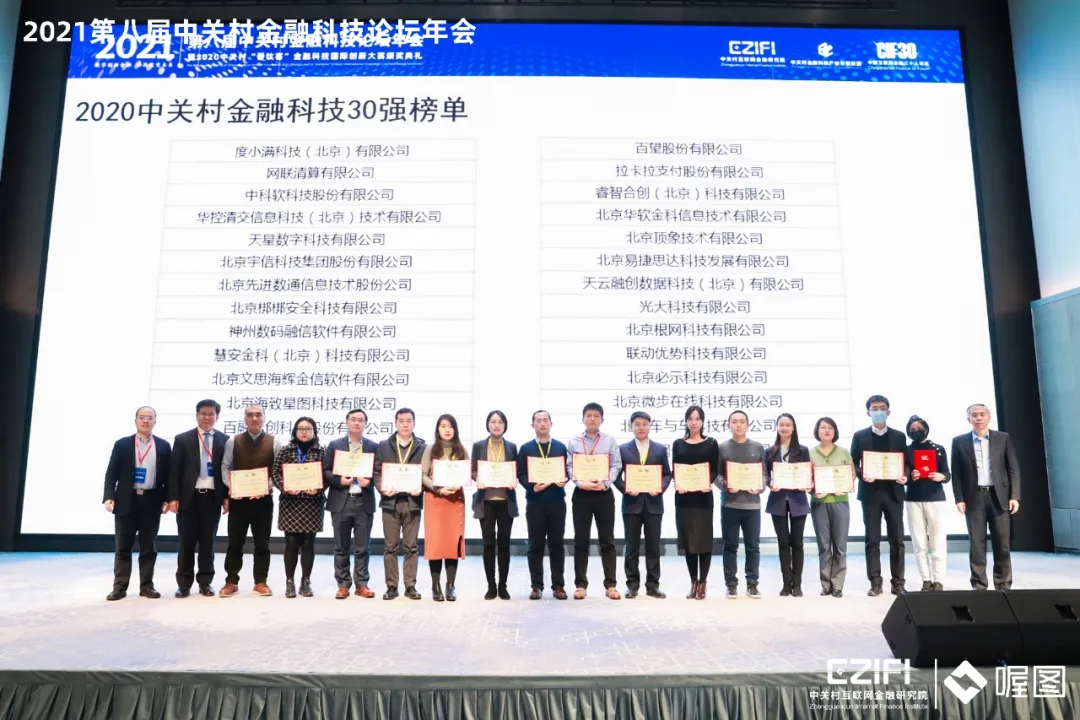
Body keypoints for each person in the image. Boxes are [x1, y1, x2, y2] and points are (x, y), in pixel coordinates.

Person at [103, 406, 171, 601]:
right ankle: (119, 587)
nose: (145, 421)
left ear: (155, 422)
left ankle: (147, 586)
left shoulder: (164, 446)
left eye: (150, 418)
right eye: (142, 417)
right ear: (135, 420)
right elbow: (111, 473)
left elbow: (168, 476)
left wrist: (167, 498)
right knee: (123, 547)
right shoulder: (122, 444)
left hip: (151, 501)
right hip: (126, 500)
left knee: (148, 547)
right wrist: (108, 496)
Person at [951, 403, 1020, 590]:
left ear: (989, 417)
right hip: (973, 498)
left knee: (1002, 543)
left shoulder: (1002, 438)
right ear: (969, 419)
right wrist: (959, 499)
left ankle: (1003, 585)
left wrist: (1014, 496)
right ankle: (979, 585)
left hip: (999, 497)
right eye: (974, 415)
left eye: (982, 414)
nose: (978, 418)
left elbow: (1013, 469)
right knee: (976, 544)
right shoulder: (959, 441)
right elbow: (956, 473)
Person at [219, 404, 282, 598]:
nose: (254, 418)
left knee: (262, 543)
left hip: (263, 500)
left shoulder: (274, 441)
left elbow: (278, 470)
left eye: (258, 415)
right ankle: (231, 581)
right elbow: (225, 467)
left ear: (264, 418)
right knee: (234, 542)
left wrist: (265, 487)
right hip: (239, 500)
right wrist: (233, 486)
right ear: (245, 418)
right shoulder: (233, 441)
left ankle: (260, 582)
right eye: (250, 415)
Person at [167, 399, 228, 598]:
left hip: (212, 498)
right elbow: (174, 470)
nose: (207, 417)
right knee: (186, 542)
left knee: (208, 543)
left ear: (217, 417)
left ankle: (205, 582)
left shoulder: (224, 440)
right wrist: (173, 497)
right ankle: (184, 584)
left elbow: (227, 470)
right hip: (188, 498)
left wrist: (227, 496)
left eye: (211, 414)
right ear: (197, 415)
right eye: (203, 413)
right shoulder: (183, 439)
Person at [850, 395, 908, 596]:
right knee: (872, 540)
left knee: (897, 540)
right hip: (871, 494)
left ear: (888, 412)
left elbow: (906, 463)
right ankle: (875, 582)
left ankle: (898, 582)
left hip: (894, 493)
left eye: (882, 408)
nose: (878, 411)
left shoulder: (899, 436)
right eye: (874, 408)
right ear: (868, 413)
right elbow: (853, 463)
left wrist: (905, 475)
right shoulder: (860, 436)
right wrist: (862, 474)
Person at [567, 402, 624, 600]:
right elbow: (569, 466)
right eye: (589, 415)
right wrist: (579, 482)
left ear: (602, 419)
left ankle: (611, 585)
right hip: (582, 495)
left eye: (596, 416)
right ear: (583, 418)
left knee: (607, 541)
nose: (592, 419)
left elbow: (616, 465)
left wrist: (605, 483)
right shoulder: (574, 442)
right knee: (581, 541)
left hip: (603, 495)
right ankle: (580, 585)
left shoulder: (610, 441)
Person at [323, 408, 380, 599]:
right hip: (341, 501)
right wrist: (340, 480)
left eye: (360, 420)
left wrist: (369, 482)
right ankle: (343, 584)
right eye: (353, 419)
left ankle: (362, 584)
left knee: (363, 547)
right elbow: (326, 471)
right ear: (347, 422)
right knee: (341, 546)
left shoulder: (373, 446)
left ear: (365, 424)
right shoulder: (335, 445)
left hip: (363, 502)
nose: (356, 423)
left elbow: (378, 472)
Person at [614, 410, 671, 598]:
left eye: (644, 424)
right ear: (631, 427)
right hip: (631, 504)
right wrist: (625, 488)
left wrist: (660, 488)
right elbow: (616, 476)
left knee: (653, 547)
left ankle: (653, 585)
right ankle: (632, 585)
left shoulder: (660, 449)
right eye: (637, 424)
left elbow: (667, 474)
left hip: (654, 504)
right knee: (631, 547)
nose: (641, 428)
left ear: (649, 426)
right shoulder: (623, 449)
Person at [270, 417, 327, 598]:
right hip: (291, 503)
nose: (304, 431)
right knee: (291, 544)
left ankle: (306, 581)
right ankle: (289, 581)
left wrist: (319, 488)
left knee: (309, 544)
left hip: (312, 503)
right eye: (300, 428)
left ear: (314, 432)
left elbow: (327, 475)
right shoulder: (286, 450)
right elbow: (275, 472)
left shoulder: (321, 451)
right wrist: (285, 487)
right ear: (295, 431)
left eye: (308, 428)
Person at [373, 407, 427, 600]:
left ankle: (410, 585)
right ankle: (392, 586)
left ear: (414, 423)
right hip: (390, 503)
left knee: (411, 546)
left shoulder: (422, 447)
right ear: (395, 423)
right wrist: (382, 488)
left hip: (412, 502)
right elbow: (376, 473)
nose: (405, 424)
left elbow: (427, 474)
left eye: (408, 421)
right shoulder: (383, 445)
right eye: (401, 421)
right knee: (390, 547)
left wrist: (421, 487)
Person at [517, 409, 570, 600]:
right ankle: (536, 586)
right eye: (538, 421)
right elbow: (521, 474)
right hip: (535, 502)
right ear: (533, 425)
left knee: (557, 544)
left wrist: (565, 479)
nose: (542, 423)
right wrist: (532, 486)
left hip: (556, 501)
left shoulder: (560, 447)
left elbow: (568, 470)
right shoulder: (526, 448)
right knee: (535, 544)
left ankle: (558, 585)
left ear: (551, 424)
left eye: (545, 420)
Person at [716, 410, 768, 599]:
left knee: (752, 547)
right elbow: (717, 475)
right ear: (728, 425)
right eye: (734, 422)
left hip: (752, 506)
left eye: (742, 422)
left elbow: (764, 474)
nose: (738, 425)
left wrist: (760, 486)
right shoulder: (722, 448)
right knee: (730, 546)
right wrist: (726, 485)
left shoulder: (758, 447)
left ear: (748, 425)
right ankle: (731, 585)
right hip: (729, 505)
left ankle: (752, 584)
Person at [672, 405, 719, 600]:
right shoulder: (678, 444)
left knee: (704, 541)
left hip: (703, 498)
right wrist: (678, 482)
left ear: (702, 421)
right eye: (690, 418)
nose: (694, 422)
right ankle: (693, 582)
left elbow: (715, 469)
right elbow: (675, 468)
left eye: (697, 418)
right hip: (684, 499)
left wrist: (708, 482)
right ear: (685, 421)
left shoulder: (711, 443)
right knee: (688, 542)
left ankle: (703, 583)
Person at [471, 410, 519, 600]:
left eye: (500, 422)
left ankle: (503, 586)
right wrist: (478, 478)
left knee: (504, 544)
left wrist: (514, 479)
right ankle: (491, 586)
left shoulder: (512, 447)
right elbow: (473, 470)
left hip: (506, 502)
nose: (497, 425)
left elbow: (516, 470)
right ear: (488, 424)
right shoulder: (479, 446)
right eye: (493, 422)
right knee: (488, 544)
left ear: (505, 425)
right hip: (486, 501)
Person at [421, 414, 468, 601]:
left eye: (450, 426)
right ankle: (436, 586)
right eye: (443, 426)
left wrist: (459, 484)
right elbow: (423, 475)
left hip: (455, 500)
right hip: (435, 499)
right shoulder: (430, 450)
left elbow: (466, 474)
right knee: (436, 544)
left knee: (452, 543)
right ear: (437, 430)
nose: (447, 430)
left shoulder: (461, 450)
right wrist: (438, 488)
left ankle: (450, 586)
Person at [764, 413, 811, 597]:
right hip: (778, 501)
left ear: (793, 428)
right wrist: (770, 483)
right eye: (781, 425)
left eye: (788, 425)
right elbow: (765, 475)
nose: (784, 428)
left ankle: (797, 584)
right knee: (783, 543)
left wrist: (807, 483)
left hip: (798, 500)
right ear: (777, 427)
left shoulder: (803, 450)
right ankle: (786, 583)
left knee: (797, 543)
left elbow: (807, 473)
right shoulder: (770, 451)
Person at [904, 415, 951, 591]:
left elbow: (947, 473)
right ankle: (925, 579)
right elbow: (902, 476)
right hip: (913, 499)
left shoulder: (938, 449)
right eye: (912, 429)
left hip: (935, 498)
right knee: (919, 542)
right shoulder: (906, 451)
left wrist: (942, 476)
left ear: (926, 429)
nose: (916, 431)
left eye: (919, 428)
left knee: (937, 541)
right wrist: (911, 476)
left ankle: (938, 580)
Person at [809, 417, 854, 597]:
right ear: (817, 431)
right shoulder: (810, 453)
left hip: (840, 502)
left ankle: (838, 585)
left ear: (835, 431)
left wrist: (846, 485)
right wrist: (813, 491)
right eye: (823, 427)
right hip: (819, 504)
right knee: (824, 546)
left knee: (840, 546)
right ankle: (825, 584)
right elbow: (807, 479)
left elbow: (851, 475)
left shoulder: (843, 452)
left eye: (830, 428)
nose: (827, 430)